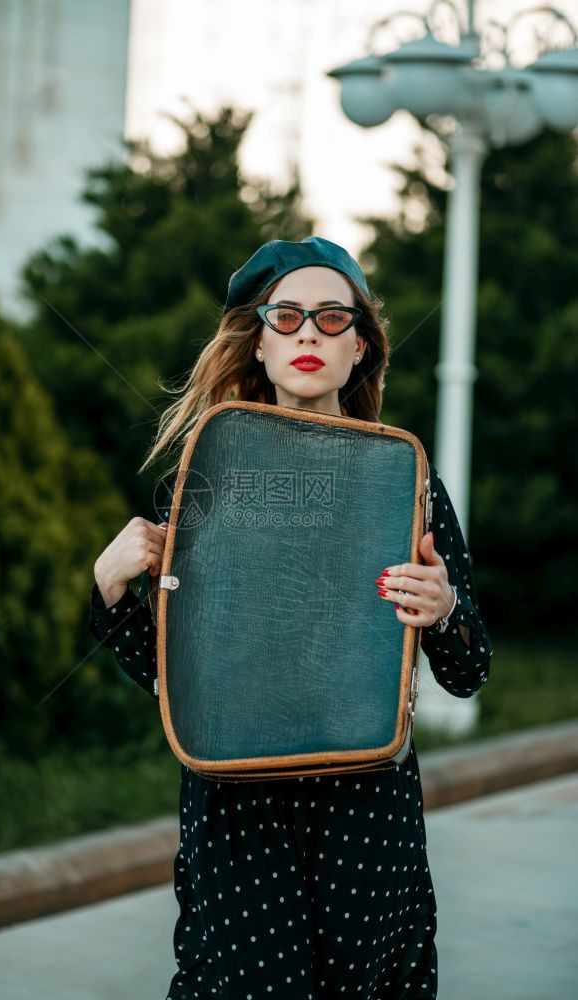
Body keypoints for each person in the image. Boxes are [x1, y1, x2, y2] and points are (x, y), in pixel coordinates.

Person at [89, 236, 494, 999]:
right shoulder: (209, 478)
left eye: (332, 317)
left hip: (367, 813)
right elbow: (180, 682)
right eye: (287, 316)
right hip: (238, 812)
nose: (308, 332)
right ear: (260, 341)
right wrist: (108, 592)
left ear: (361, 347)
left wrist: (442, 612)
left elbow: (468, 672)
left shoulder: (406, 484)